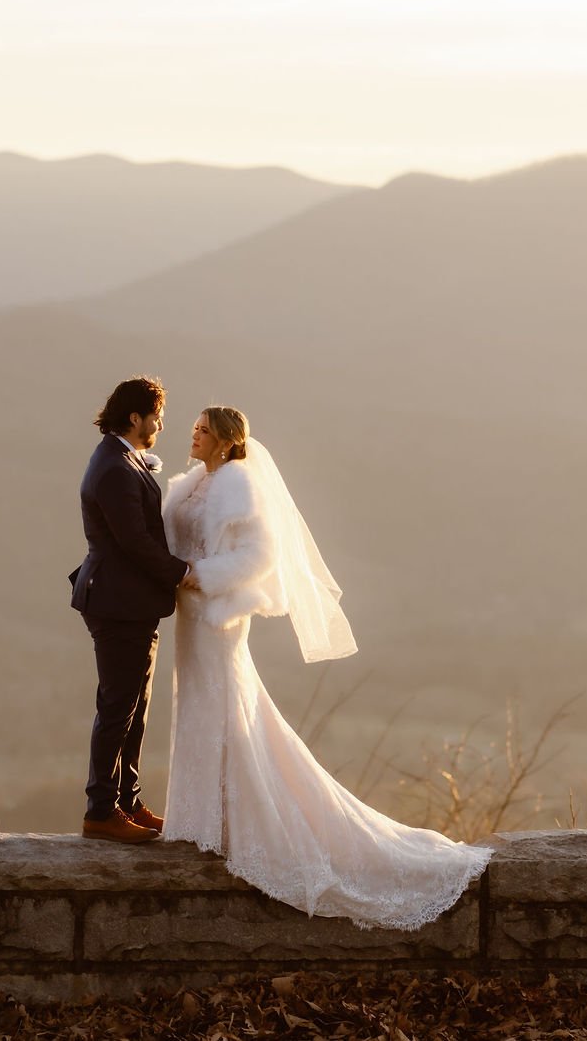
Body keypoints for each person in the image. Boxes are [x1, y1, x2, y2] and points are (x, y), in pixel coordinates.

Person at [159, 405, 493, 930]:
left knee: (223, 706)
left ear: (225, 441)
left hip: (217, 615)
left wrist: (203, 576)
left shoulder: (239, 486)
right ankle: (201, 819)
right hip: (189, 615)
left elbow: (260, 554)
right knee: (195, 703)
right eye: (195, 429)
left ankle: (231, 821)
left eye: (203, 430)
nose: (193, 436)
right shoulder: (190, 484)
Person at [69, 376, 198, 843]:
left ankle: (126, 800)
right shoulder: (114, 468)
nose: (160, 425)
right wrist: (181, 572)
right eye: (156, 416)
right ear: (134, 417)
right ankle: (100, 810)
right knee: (117, 707)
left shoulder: (120, 460)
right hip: (117, 602)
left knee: (134, 709)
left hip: (130, 602)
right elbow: (134, 541)